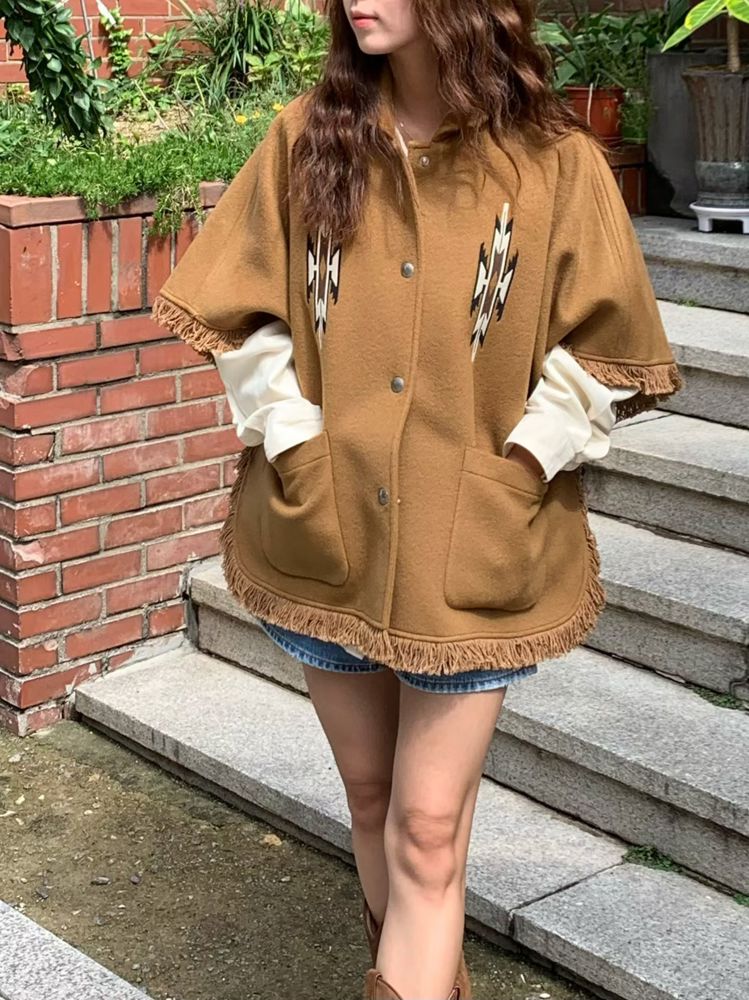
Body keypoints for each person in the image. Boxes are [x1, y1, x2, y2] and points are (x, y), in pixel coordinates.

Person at [151, 2, 684, 997]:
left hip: (475, 544)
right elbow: (242, 315)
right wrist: (294, 439)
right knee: (369, 798)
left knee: (429, 827)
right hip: (326, 534)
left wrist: (523, 462)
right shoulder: (306, 137)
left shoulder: (554, 162)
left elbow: (606, 349)